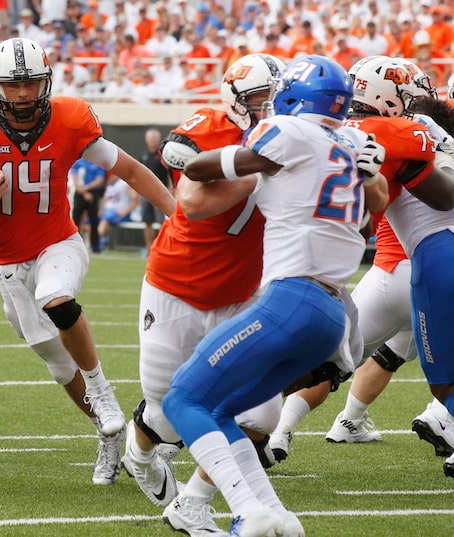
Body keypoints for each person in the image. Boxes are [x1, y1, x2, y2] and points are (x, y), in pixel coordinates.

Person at [0, 37, 175, 486]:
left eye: (32, 83)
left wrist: (178, 217)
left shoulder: (70, 119)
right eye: (13, 85)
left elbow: (129, 170)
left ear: (47, 82)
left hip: (59, 243)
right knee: (57, 365)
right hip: (8, 265)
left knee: (56, 297)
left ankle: (103, 390)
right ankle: (107, 434)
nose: (23, 94)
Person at [161, 55, 385, 536]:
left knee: (184, 398)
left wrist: (183, 155)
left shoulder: (287, 130)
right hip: (331, 314)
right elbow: (373, 208)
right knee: (221, 410)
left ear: (291, 96)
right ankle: (277, 516)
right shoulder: (352, 144)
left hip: (293, 298)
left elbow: (203, 169)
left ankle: (249, 512)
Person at [127, 54, 293, 536]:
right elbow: (193, 203)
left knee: (262, 413)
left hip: (243, 294)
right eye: (263, 98)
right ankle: (140, 457)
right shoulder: (213, 127)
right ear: (238, 101)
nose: (273, 107)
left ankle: (194, 499)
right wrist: (257, 175)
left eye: (279, 97)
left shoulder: (294, 135)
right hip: (177, 283)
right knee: (166, 411)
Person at [268, 57, 454, 464]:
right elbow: (445, 195)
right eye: (408, 96)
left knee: (323, 360)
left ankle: (270, 427)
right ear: (388, 99)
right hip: (424, 262)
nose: (416, 101)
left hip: (317, 262)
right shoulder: (403, 132)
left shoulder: (315, 130)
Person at [138, 127, 170, 258]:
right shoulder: (143, 155)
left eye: (154, 138)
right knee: (147, 221)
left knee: (161, 221)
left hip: (160, 192)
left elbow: (169, 173)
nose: (152, 141)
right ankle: (149, 248)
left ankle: (162, 247)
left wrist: (170, 189)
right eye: (150, 138)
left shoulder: (163, 155)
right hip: (145, 193)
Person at [69, 157, 106, 255]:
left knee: (94, 221)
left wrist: (87, 189)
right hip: (80, 193)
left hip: (92, 193)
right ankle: (73, 244)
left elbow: (100, 179)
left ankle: (95, 247)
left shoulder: (97, 163)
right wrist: (84, 192)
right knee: (76, 219)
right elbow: (75, 179)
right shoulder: (78, 163)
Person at [95, 172, 138, 253]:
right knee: (90, 220)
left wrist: (125, 212)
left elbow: (135, 200)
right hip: (107, 212)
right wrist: (101, 210)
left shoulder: (124, 184)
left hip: (118, 213)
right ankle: (97, 241)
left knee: (106, 219)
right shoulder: (108, 185)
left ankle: (98, 242)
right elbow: (105, 199)